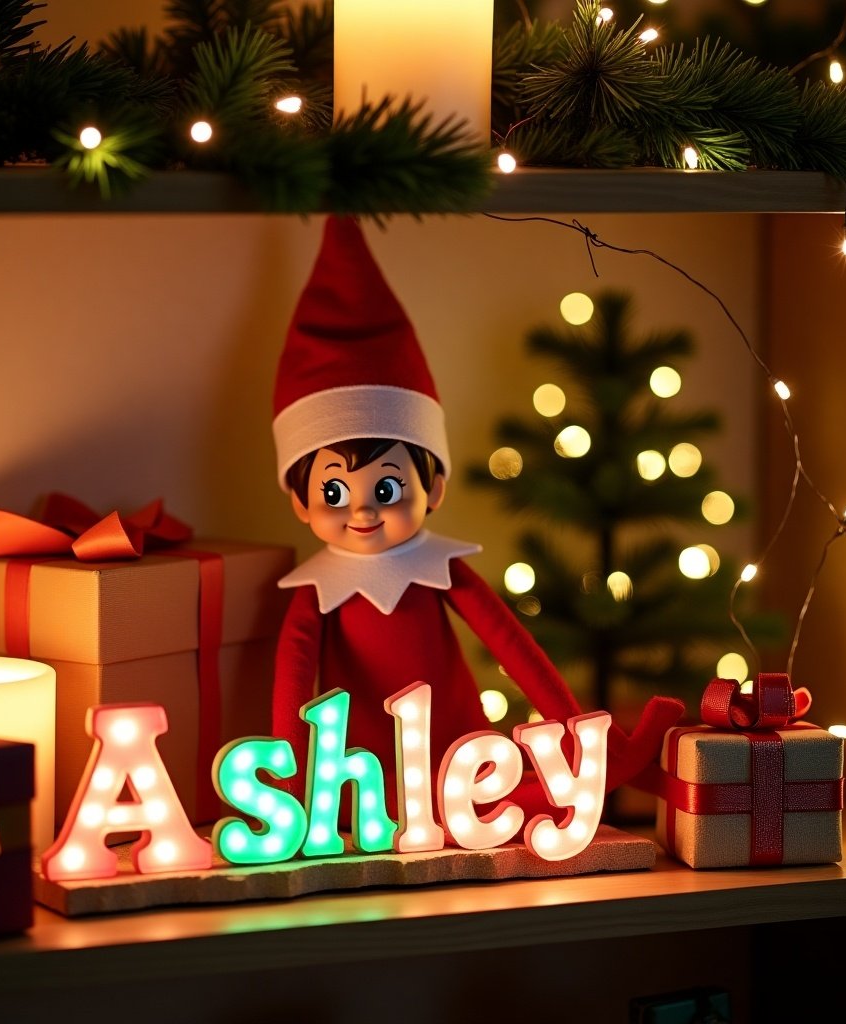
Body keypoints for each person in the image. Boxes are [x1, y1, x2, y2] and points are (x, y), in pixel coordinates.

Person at [270, 216, 683, 822]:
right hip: (353, 782)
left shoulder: (442, 570)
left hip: (464, 762)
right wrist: (289, 780)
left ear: (433, 485)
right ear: (300, 504)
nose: (361, 508)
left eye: (386, 486)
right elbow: (292, 680)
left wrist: (581, 733)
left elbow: (516, 649)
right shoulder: (316, 593)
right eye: (334, 492)